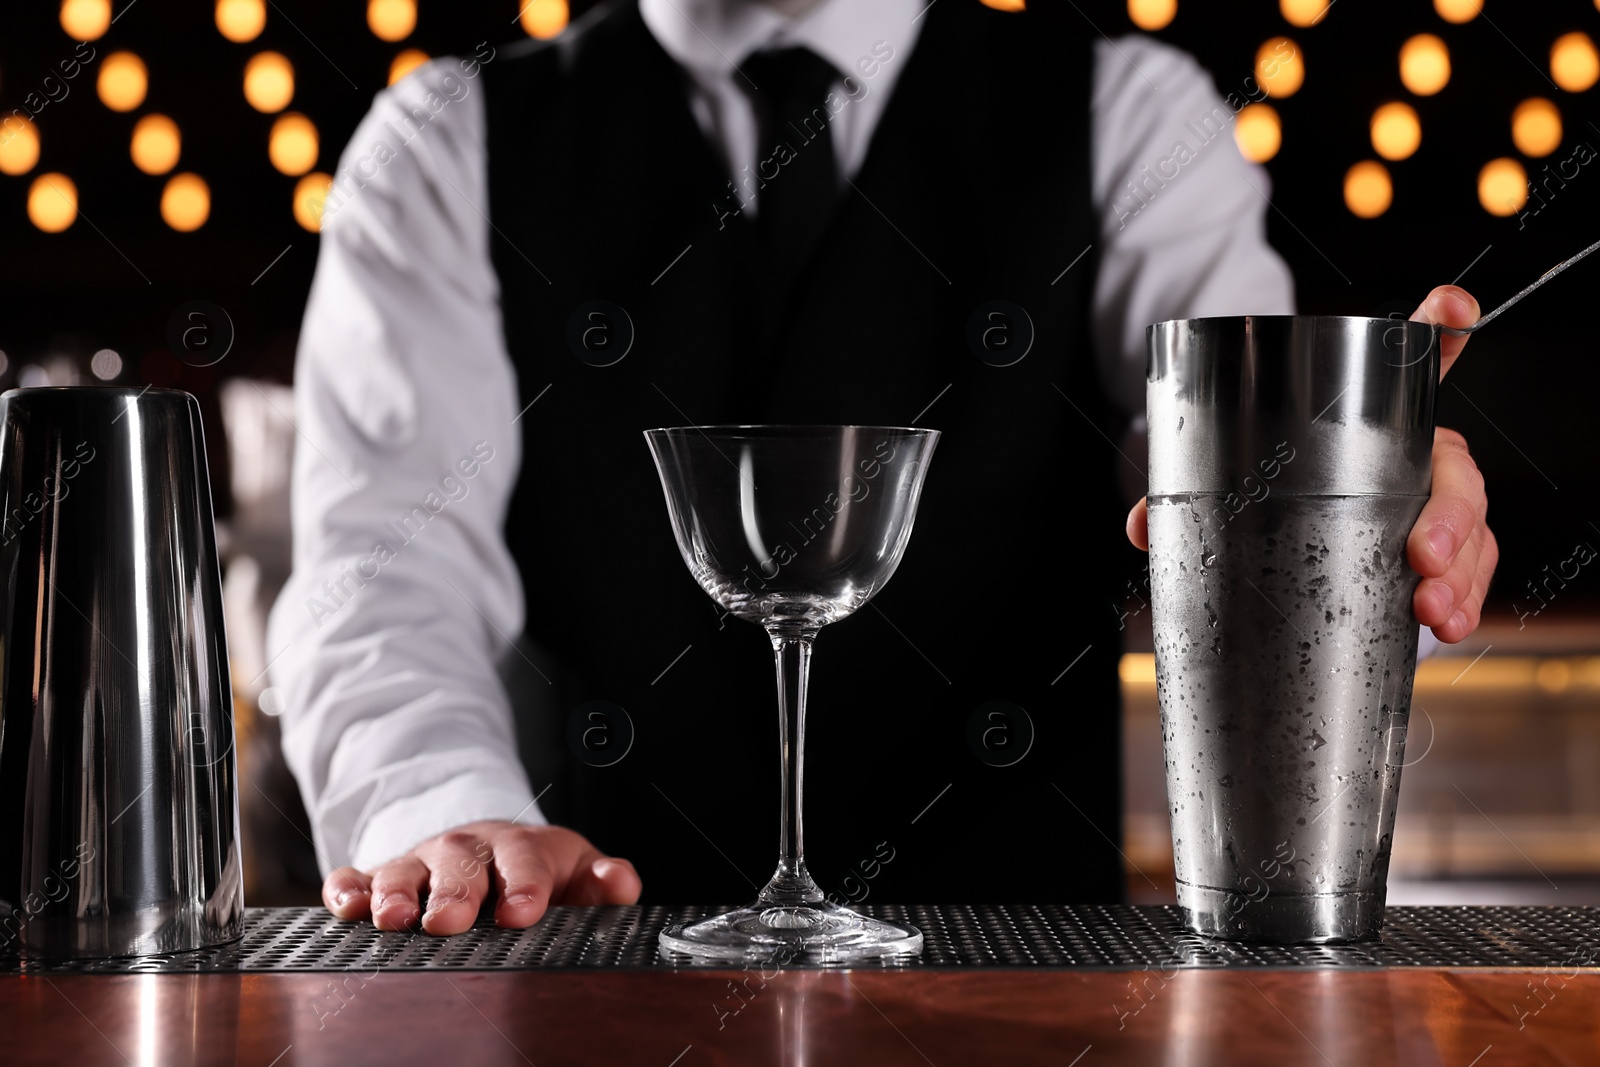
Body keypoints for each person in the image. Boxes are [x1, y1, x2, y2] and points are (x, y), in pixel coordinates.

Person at [266, 0, 1496, 934]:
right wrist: (444, 814)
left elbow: (1221, 477)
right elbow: (383, 569)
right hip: (597, 965)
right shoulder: (442, 143)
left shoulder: (1130, 118)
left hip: (1025, 978)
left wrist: (1352, 481)